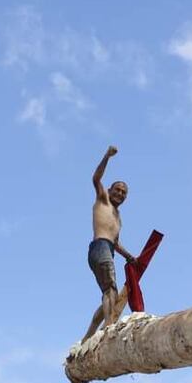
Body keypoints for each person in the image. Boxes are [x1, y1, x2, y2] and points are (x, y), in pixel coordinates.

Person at [83, 146, 136, 342]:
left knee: (108, 293)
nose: (120, 194)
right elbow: (95, 179)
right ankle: (109, 328)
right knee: (110, 291)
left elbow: (116, 242)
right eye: (118, 190)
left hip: (107, 249)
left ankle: (88, 336)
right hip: (100, 247)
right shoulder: (103, 199)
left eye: (124, 193)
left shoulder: (118, 218)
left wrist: (131, 257)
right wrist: (107, 156)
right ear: (110, 190)